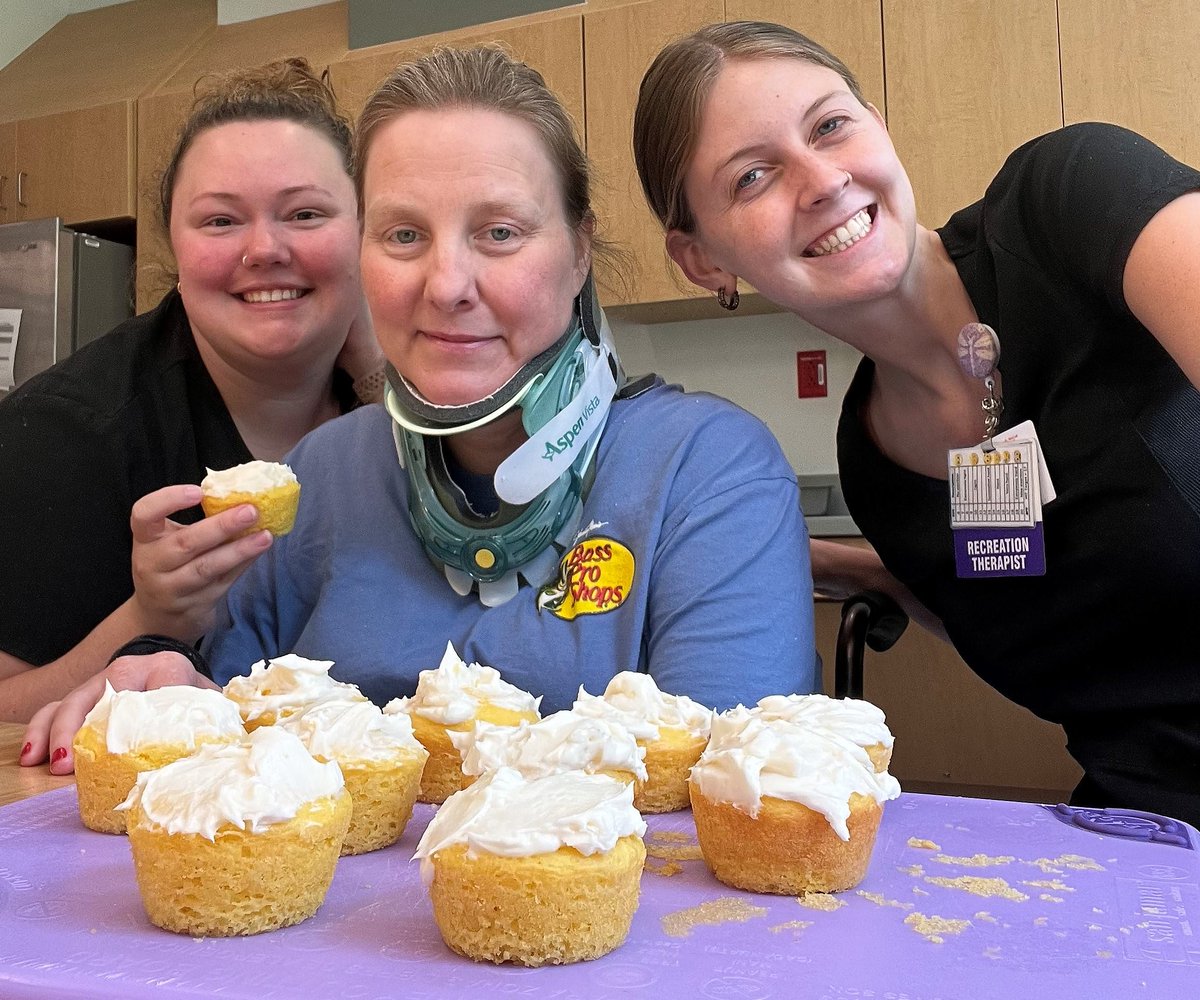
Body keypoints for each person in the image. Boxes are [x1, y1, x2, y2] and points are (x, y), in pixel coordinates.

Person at [22, 45, 817, 771]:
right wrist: (165, 676)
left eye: (499, 232)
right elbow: (226, 756)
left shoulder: (711, 474)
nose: (445, 285)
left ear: (579, 251)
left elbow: (725, 805)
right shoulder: (322, 475)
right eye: (404, 235)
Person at [632, 20, 1200, 824]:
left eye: (831, 126)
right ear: (704, 261)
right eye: (754, 176)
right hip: (1146, 835)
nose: (822, 179)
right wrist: (856, 569)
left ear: (879, 127)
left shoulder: (1070, 199)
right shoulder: (874, 465)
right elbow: (1031, 580)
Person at [2, 58, 385, 742]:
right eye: (219, 222)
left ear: (364, 232)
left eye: (305, 213)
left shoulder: (404, 405)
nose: (265, 248)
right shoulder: (66, 437)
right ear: (173, 250)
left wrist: (385, 384)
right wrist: (154, 617)